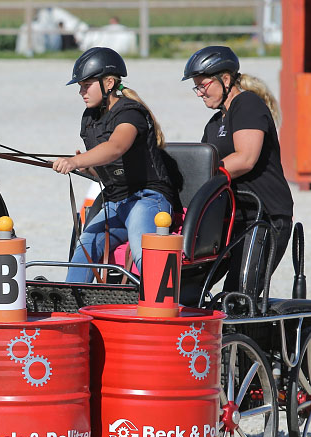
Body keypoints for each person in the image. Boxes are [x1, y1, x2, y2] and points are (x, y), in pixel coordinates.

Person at [53, 47, 178, 283]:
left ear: (108, 82)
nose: (81, 92)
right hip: (115, 202)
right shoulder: (90, 118)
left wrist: (75, 161)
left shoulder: (130, 113)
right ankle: (70, 306)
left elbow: (116, 147)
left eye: (86, 85)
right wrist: (87, 167)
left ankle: (160, 305)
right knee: (85, 246)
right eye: (80, 86)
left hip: (148, 198)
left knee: (144, 251)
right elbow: (111, 167)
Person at [182, 45, 293, 298]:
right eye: (196, 86)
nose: (199, 93)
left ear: (226, 79)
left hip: (263, 216)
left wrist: (203, 176)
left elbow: (245, 158)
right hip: (230, 218)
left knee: (240, 295)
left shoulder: (248, 105)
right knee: (188, 288)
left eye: (203, 85)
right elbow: (200, 164)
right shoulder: (214, 123)